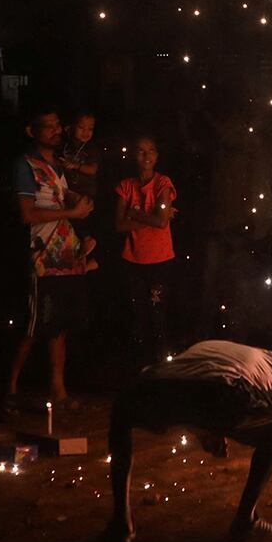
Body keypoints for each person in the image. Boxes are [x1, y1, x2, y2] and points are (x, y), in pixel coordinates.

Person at [103, 334, 272, 542]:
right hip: (219, 390)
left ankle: (121, 522)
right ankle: (246, 520)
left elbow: (185, 388)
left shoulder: (213, 346)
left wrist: (205, 429)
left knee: (121, 413)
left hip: (150, 384)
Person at [8, 108, 98, 412]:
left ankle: (58, 390)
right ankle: (10, 388)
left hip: (64, 254)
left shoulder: (57, 165)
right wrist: (72, 211)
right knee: (33, 326)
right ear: (31, 131)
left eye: (58, 125)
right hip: (41, 255)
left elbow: (64, 196)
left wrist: (79, 208)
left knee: (59, 325)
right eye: (48, 126)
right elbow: (27, 214)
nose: (56, 130)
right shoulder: (26, 165)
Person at [114, 134, 178, 369]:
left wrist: (134, 214)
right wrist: (151, 218)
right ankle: (139, 366)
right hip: (133, 259)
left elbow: (161, 222)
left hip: (160, 259)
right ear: (134, 155)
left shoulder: (163, 183)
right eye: (141, 151)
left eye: (150, 150)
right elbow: (119, 224)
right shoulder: (126, 186)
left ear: (157, 156)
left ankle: (161, 365)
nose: (146, 155)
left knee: (157, 312)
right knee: (136, 313)